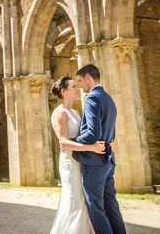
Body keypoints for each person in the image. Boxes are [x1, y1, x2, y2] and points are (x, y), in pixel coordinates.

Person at [47, 76, 106, 234]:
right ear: (64, 91)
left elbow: (83, 134)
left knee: (84, 199)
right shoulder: (60, 113)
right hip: (69, 162)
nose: (77, 89)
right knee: (75, 200)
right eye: (73, 86)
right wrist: (92, 147)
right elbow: (64, 143)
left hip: (81, 160)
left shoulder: (74, 111)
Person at [71, 64, 126, 234]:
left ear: (88, 77)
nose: (80, 86)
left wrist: (73, 142)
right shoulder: (108, 98)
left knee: (96, 208)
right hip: (108, 160)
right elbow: (111, 131)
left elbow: (92, 133)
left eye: (80, 81)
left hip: (94, 162)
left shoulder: (91, 98)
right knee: (111, 206)